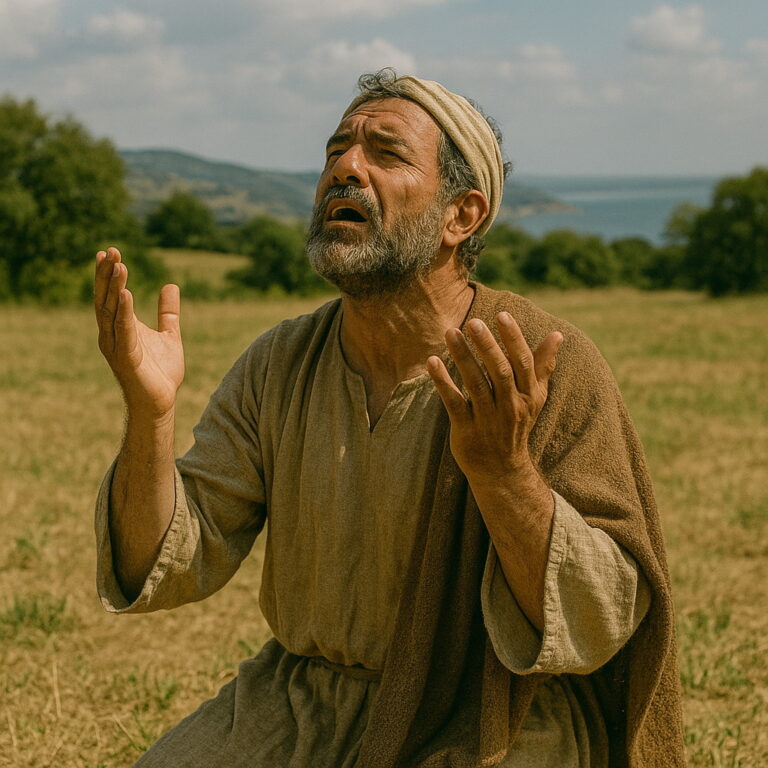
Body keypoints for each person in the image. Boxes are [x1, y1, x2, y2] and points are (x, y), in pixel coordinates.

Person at [93, 70, 685, 767]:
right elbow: (166, 563)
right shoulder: (280, 363)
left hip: (493, 716)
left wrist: (504, 474)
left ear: (461, 216)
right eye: (336, 149)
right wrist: (150, 413)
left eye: (386, 153)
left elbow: (601, 617)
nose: (345, 168)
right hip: (300, 705)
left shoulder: (539, 361)